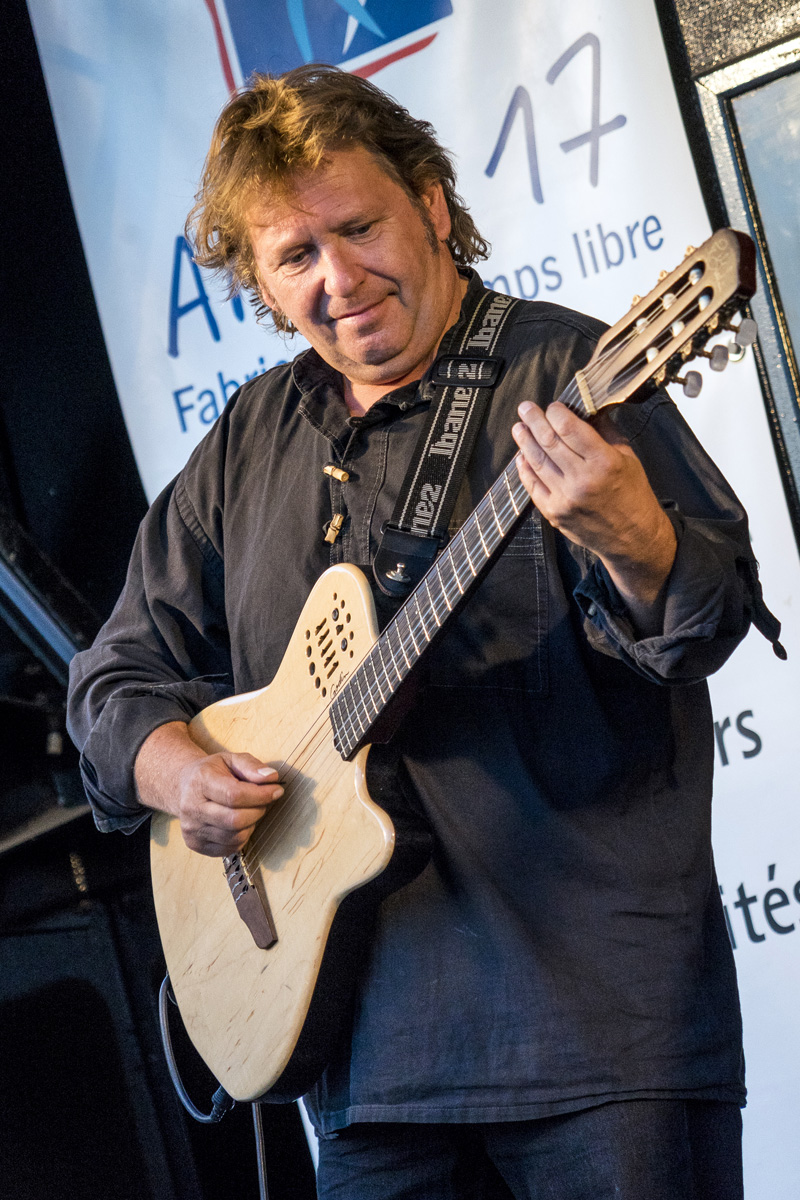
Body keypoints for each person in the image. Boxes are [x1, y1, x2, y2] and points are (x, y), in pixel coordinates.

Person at [67, 64, 779, 1199]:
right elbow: (112, 679)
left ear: (432, 207)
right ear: (256, 278)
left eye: (359, 228)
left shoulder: (568, 371)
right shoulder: (252, 439)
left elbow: (702, 621)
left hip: (600, 1037)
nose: (339, 278)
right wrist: (178, 773)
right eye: (295, 256)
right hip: (366, 1068)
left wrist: (635, 536)